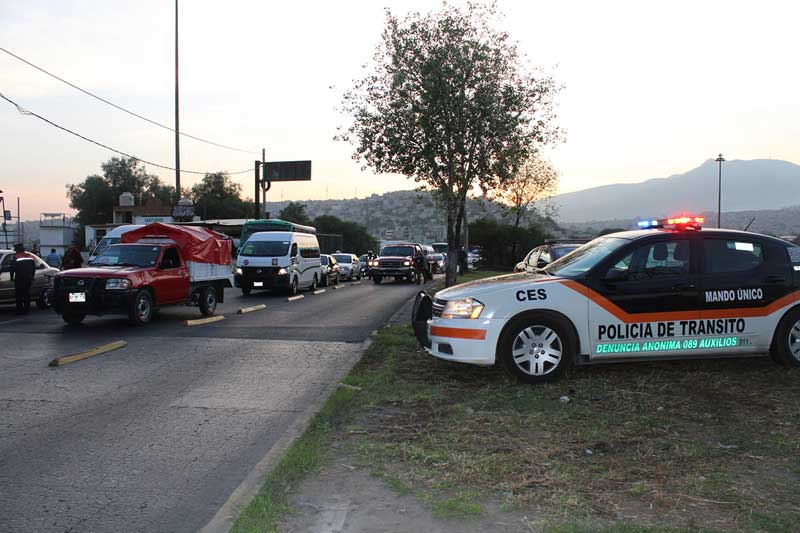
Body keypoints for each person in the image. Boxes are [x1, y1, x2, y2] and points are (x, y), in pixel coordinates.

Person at [10, 243, 36, 314]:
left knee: (19, 295)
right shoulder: (30, 256)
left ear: (17, 250)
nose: (15, 251)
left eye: (15, 250)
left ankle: (20, 310)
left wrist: (11, 278)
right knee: (27, 294)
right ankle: (27, 309)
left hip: (19, 279)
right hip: (28, 279)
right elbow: (34, 268)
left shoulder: (16, 257)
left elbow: (12, 269)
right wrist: (32, 276)